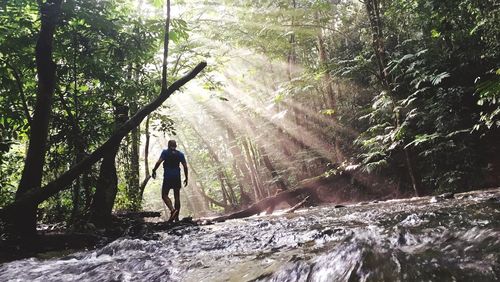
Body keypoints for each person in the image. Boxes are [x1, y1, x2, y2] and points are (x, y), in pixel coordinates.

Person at [152, 140, 188, 222]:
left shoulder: (165, 152)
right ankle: (176, 218)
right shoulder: (180, 154)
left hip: (168, 177)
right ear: (176, 145)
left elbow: (159, 162)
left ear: (168, 145)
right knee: (177, 196)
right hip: (177, 177)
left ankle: (172, 210)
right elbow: (185, 167)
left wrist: (154, 170)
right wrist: (186, 178)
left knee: (164, 195)